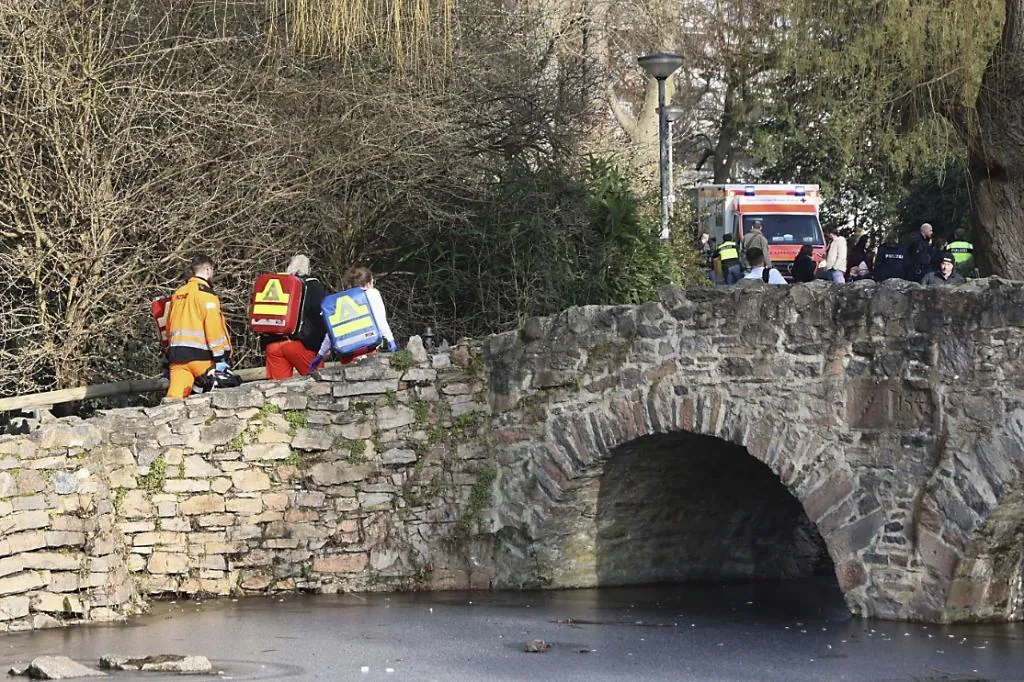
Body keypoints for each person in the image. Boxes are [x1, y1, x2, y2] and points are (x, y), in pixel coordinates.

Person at [165, 255, 233, 399]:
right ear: (208, 270)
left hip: (178, 358)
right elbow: (213, 327)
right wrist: (220, 358)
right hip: (202, 358)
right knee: (220, 395)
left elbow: (169, 324)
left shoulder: (178, 293)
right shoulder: (206, 295)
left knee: (174, 399)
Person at [310, 266, 398, 371]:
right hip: (368, 350)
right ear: (369, 283)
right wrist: (390, 339)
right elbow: (380, 321)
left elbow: (332, 333)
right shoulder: (371, 294)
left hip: (346, 355)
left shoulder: (338, 301)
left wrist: (320, 355)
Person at [262, 254, 328, 380]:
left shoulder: (277, 284)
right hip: (301, 345)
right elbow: (320, 318)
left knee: (276, 391)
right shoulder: (313, 286)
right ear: (308, 269)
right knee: (318, 385)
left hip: (273, 344)